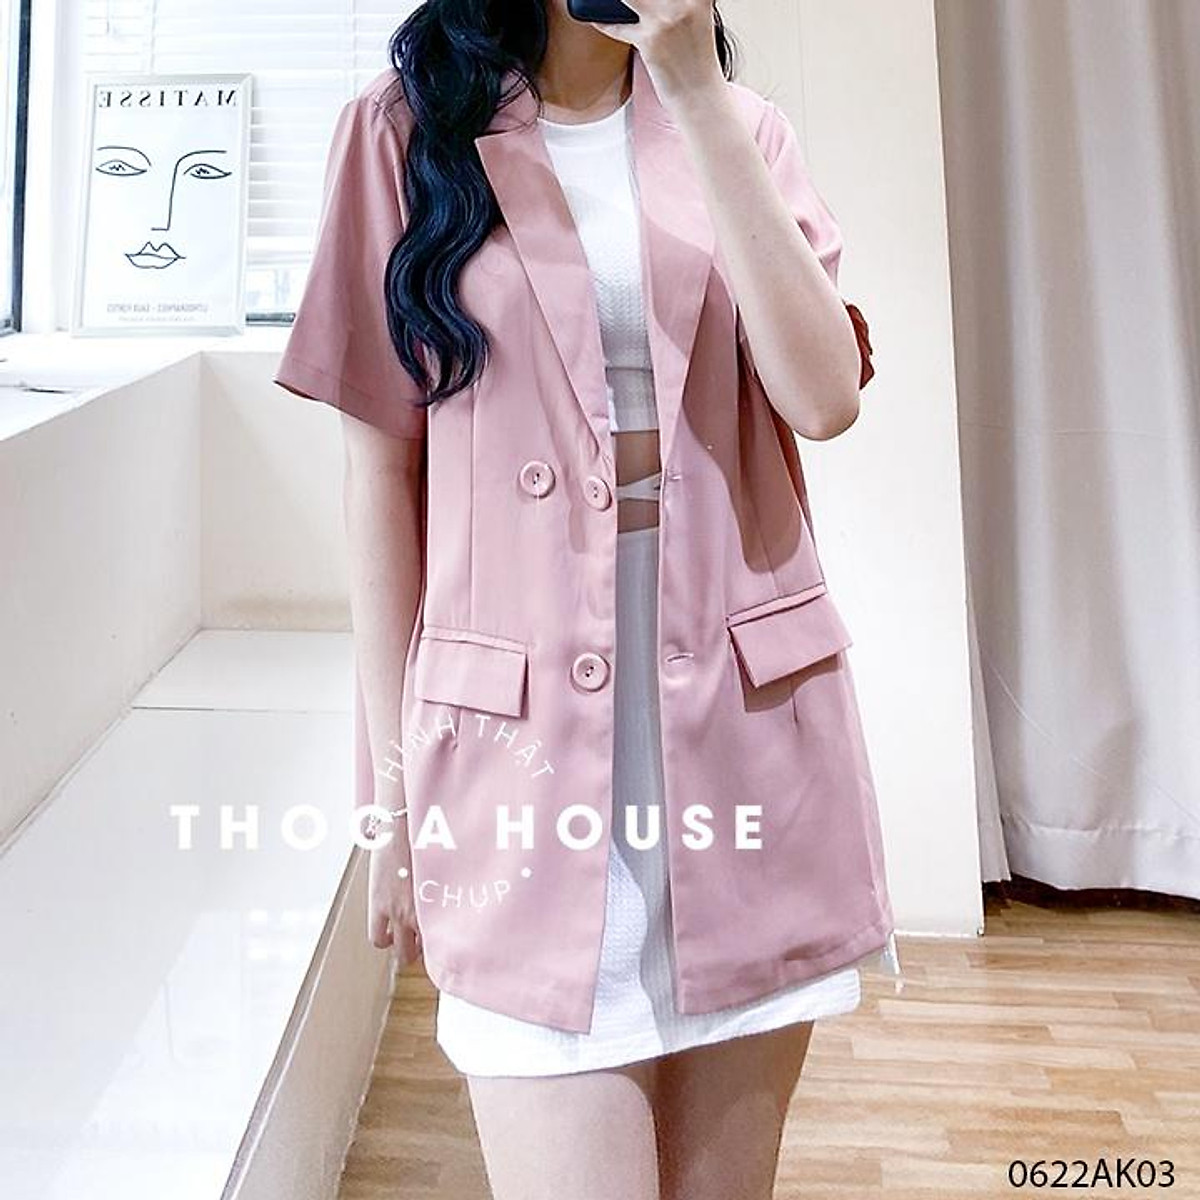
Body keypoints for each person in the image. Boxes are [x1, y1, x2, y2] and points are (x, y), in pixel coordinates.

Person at [274, 1, 898, 1196]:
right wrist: (389, 803)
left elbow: (823, 399)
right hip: (515, 781)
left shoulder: (742, 130)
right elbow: (380, 484)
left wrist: (696, 91)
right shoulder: (403, 134)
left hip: (749, 765)